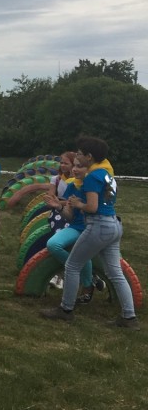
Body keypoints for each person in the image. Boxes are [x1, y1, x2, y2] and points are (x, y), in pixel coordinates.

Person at [42, 137, 138, 329]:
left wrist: (79, 204)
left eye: (79, 154)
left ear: (89, 157)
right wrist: (62, 206)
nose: (77, 156)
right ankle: (129, 317)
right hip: (113, 224)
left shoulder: (92, 177)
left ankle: (66, 310)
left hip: (98, 225)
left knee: (72, 265)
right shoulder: (106, 173)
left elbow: (92, 207)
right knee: (115, 273)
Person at [42, 155, 98, 304]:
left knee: (83, 251)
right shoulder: (72, 186)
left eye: (79, 166)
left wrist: (81, 205)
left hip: (93, 228)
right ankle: (77, 270)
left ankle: (87, 284)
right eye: (74, 166)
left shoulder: (93, 186)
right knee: (53, 244)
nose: (74, 169)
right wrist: (59, 207)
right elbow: (70, 216)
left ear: (89, 168)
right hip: (76, 227)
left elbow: (94, 208)